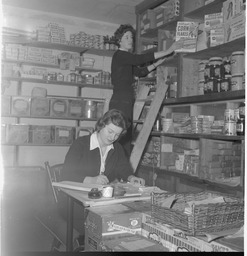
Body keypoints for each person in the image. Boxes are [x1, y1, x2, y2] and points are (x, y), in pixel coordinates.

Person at [58, 109, 145, 242]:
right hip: (74, 205)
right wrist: (91, 180)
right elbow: (66, 174)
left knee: (125, 220)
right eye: (110, 132)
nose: (113, 137)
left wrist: (132, 178)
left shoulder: (117, 148)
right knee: (112, 226)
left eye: (117, 134)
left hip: (99, 203)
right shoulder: (81, 144)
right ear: (101, 125)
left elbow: (123, 168)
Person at [109, 24, 183, 157]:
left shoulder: (125, 59)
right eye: (126, 37)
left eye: (131, 37)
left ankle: (121, 172)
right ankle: (118, 170)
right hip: (120, 100)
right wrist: (168, 50)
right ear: (119, 40)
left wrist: (158, 63)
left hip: (125, 99)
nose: (130, 40)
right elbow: (140, 59)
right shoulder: (120, 55)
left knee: (124, 136)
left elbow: (140, 72)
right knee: (121, 137)